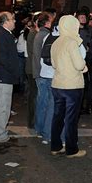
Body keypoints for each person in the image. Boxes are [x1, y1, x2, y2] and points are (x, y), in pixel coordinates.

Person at [49, 15, 88, 158]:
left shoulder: (56, 42)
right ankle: (72, 149)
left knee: (57, 117)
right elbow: (79, 64)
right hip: (72, 85)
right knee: (71, 119)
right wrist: (84, 67)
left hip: (57, 84)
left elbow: (53, 64)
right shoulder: (72, 42)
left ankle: (55, 146)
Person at [0, 11, 21, 144]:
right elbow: (4, 58)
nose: (14, 21)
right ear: (5, 21)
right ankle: (1, 135)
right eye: (12, 19)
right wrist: (14, 72)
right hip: (4, 76)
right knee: (3, 108)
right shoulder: (3, 35)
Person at [33, 12, 53, 144]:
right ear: (46, 22)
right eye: (51, 21)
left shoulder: (38, 34)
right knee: (46, 103)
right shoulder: (46, 35)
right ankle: (44, 129)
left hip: (38, 72)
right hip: (44, 73)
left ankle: (39, 128)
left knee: (41, 102)